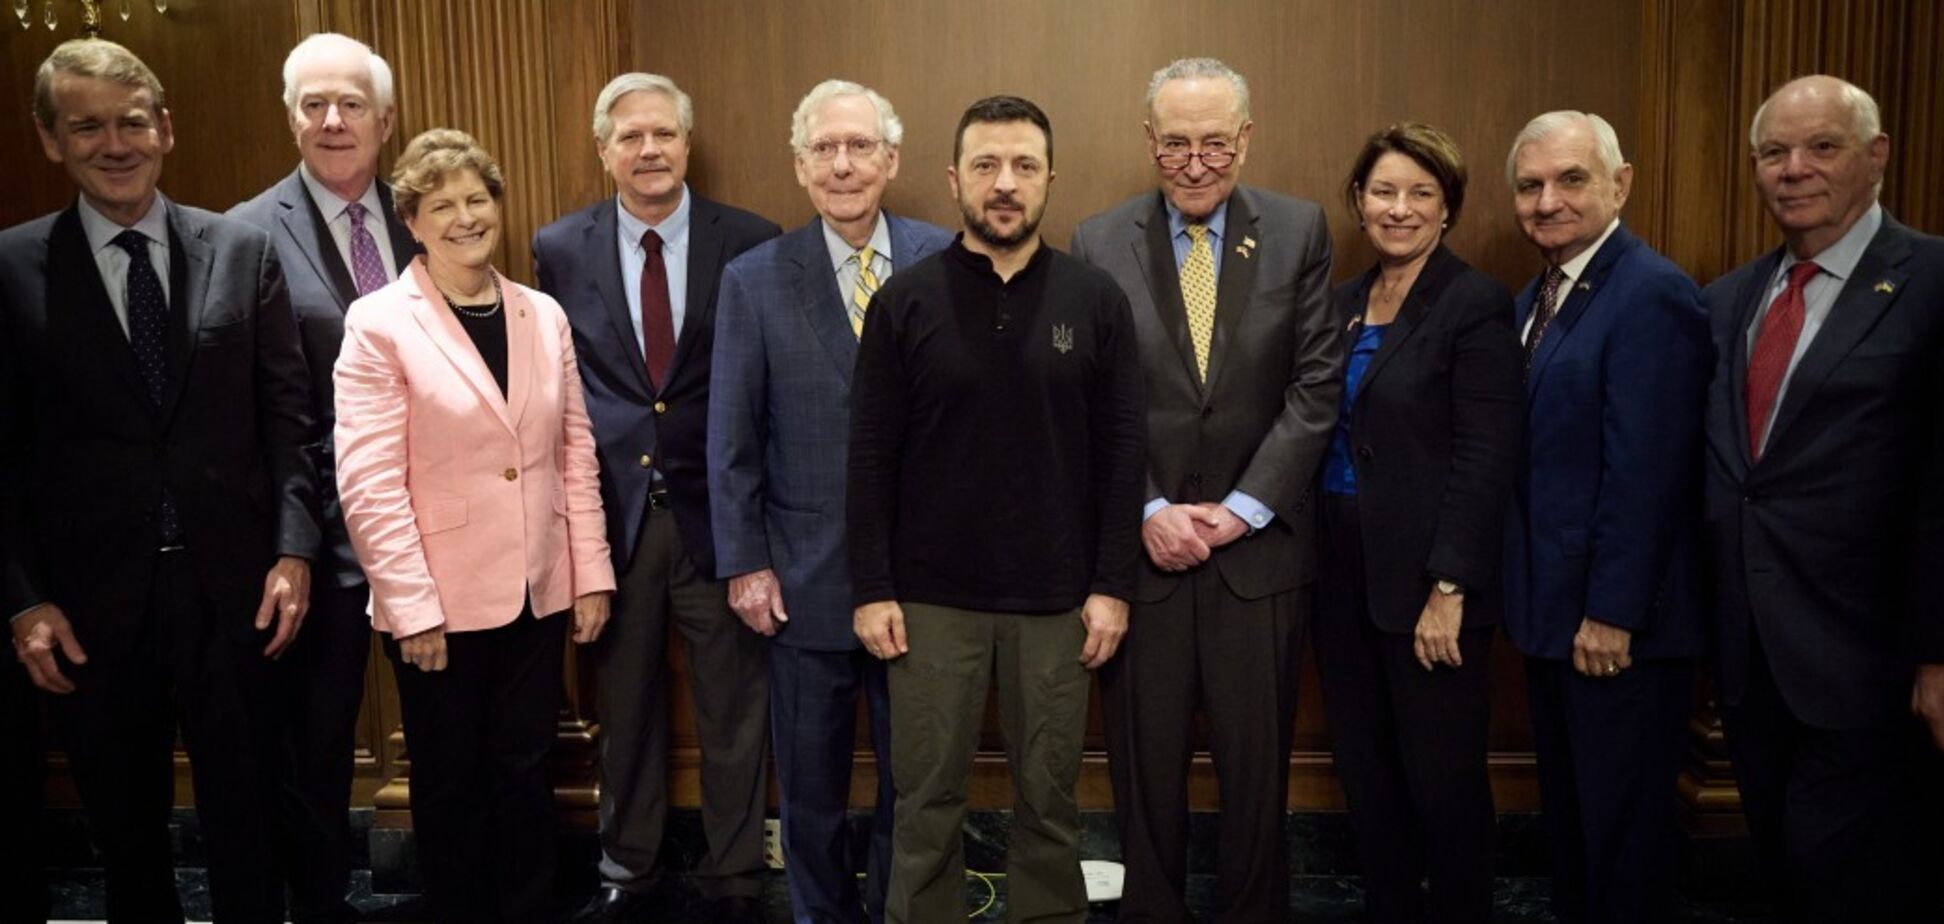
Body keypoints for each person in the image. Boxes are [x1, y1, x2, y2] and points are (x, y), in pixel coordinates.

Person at [1, 38, 318, 923]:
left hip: (239, 594)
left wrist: (294, 551)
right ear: (50, 139)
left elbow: (290, 426)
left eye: (132, 122)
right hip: (88, 609)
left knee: (251, 829)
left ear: (165, 129)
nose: (115, 143)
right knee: (129, 841)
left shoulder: (242, 251)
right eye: (87, 126)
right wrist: (23, 602)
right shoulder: (11, 269)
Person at [848, 95, 1145, 924]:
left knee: (1050, 804)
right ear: (954, 181)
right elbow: (869, 458)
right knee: (927, 801)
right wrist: (870, 588)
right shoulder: (903, 303)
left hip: (1058, 601)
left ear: (1051, 179)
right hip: (929, 602)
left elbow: (1125, 457)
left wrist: (1113, 585)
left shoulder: (1096, 300)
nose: (1004, 184)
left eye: (1023, 166)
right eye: (985, 166)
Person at [1068, 57, 1339, 923]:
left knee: (1257, 779)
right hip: (1142, 559)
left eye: (1214, 142)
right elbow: (1090, 402)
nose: (1195, 161)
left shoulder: (1299, 231)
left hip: (1257, 558)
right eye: (1175, 143)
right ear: (1150, 142)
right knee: (1145, 778)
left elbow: (1315, 387)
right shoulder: (1097, 240)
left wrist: (1242, 509)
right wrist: (1147, 507)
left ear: (1245, 139)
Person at [333, 128, 616, 924]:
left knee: (526, 770)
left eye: (477, 199)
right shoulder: (380, 322)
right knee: (452, 781)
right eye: (442, 205)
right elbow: (369, 482)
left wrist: (589, 571)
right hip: (438, 606)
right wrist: (412, 608)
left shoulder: (542, 313)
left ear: (498, 205)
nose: (465, 217)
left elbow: (575, 450)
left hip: (537, 588)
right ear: (412, 223)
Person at [532, 72, 781, 924]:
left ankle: (737, 874)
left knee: (735, 712)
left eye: (665, 135)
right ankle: (627, 871)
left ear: (687, 144)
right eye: (630, 137)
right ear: (604, 150)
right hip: (615, 525)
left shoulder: (750, 241)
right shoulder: (559, 248)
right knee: (626, 709)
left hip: (725, 521)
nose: (649, 151)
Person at [708, 79, 952, 924]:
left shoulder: (945, 258)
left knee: (913, 780)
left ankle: (898, 909)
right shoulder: (755, 279)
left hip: (922, 583)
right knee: (808, 790)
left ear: (892, 159)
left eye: (859, 148)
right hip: (802, 583)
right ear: (801, 165)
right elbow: (731, 441)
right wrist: (745, 565)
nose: (842, 166)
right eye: (824, 149)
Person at [1701, 75, 1944, 922]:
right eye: (1773, 153)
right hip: (1749, 655)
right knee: (1780, 865)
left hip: (1873, 659)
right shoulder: (1728, 300)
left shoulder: (1935, 282)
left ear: (1876, 156)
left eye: (1821, 147)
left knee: (1852, 876)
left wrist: (1939, 655)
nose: (1793, 169)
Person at [1501, 111, 1711, 924]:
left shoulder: (1651, 292)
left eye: (1570, 179)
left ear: (1621, 184)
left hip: (1616, 630)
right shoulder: (1541, 294)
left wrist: (1612, 614)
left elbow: (1650, 475)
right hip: (1556, 616)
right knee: (1579, 827)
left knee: (1622, 841)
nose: (1547, 200)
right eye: (1530, 185)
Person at [227, 33, 417, 922]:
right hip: (318, 533)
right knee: (316, 740)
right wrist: (289, 544)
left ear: (384, 119)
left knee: (453, 726)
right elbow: (259, 414)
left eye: (350, 104)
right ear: (291, 117)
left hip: (432, 529)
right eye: (313, 105)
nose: (333, 121)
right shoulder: (243, 235)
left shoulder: (427, 214)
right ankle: (320, 903)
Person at [1313, 123, 1522, 924]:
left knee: (1443, 781)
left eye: (1420, 194)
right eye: (1383, 191)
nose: (1398, 208)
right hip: (1340, 578)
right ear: (1359, 203)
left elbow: (1485, 457)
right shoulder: (1338, 304)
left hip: (1430, 582)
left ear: (1448, 209)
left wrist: (1451, 585)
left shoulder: (1474, 303)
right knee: (1367, 772)